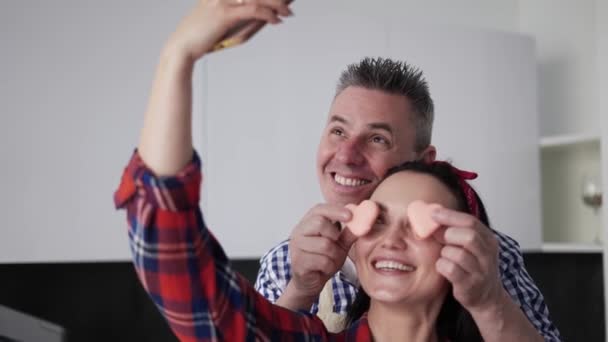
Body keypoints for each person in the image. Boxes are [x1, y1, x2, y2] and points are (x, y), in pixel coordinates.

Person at [117, 0, 559, 340]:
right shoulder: (290, 274)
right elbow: (187, 279)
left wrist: (489, 302)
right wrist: (178, 57)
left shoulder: (491, 266)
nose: (346, 155)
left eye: (378, 138)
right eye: (378, 220)